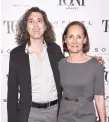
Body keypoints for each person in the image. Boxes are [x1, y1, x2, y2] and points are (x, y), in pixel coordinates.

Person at [7, 7, 104, 122]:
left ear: (45, 26)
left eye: (39, 21)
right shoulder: (16, 55)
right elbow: (12, 94)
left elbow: (72, 63)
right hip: (28, 113)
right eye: (31, 21)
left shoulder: (55, 50)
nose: (36, 25)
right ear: (26, 26)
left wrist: (91, 60)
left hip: (54, 113)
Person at [57, 21, 106, 122]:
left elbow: (99, 98)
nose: (74, 41)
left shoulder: (95, 65)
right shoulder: (60, 64)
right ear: (65, 39)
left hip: (86, 116)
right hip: (64, 116)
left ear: (84, 40)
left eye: (79, 37)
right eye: (70, 37)